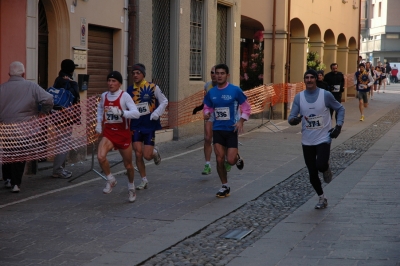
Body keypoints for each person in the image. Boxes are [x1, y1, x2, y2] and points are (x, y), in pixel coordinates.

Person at [288, 69, 345, 209]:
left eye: (311, 77)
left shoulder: (325, 95)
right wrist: (294, 120)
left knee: (320, 165)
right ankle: (321, 198)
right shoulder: (299, 97)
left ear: (316, 79)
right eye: (306, 77)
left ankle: (326, 168)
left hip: (323, 138)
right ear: (304, 80)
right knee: (312, 172)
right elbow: (290, 117)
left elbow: (340, 108)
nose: (309, 80)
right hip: (307, 140)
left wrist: (338, 126)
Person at [0, 61, 53, 192]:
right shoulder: (32, 86)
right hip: (24, 127)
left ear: (8, 74)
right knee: (20, 154)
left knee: (7, 152)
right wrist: (43, 112)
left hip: (5, 127)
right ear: (24, 73)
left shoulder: (2, 88)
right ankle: (16, 183)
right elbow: (49, 99)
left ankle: (7, 179)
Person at [203, 63, 251, 198]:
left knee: (230, 160)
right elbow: (207, 106)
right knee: (219, 159)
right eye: (216, 73)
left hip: (231, 129)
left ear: (227, 75)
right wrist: (206, 113)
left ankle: (237, 158)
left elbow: (246, 107)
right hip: (217, 129)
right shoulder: (211, 92)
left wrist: (241, 121)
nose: (219, 76)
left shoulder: (235, 90)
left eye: (222, 73)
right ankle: (224, 185)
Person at [95, 71, 141, 202]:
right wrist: (98, 123)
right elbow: (99, 109)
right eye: (109, 80)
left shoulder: (124, 96)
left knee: (128, 166)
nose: (110, 83)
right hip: (109, 133)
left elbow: (136, 113)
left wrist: (121, 112)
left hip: (123, 134)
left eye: (113, 81)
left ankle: (131, 186)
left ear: (119, 83)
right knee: (100, 156)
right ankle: (111, 179)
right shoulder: (104, 96)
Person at [127, 64, 168, 190]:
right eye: (133, 73)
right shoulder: (129, 90)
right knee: (138, 154)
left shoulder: (153, 87)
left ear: (143, 74)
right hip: (135, 125)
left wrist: (156, 113)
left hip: (149, 125)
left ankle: (155, 153)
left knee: (147, 155)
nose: (135, 75)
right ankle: (144, 180)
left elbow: (164, 101)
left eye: (138, 73)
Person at [51, 59, 81, 178]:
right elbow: (75, 99)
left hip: (57, 115)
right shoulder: (70, 82)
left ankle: (60, 168)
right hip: (66, 117)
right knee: (63, 143)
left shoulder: (58, 80)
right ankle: (58, 170)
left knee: (60, 142)